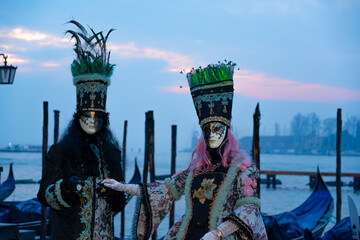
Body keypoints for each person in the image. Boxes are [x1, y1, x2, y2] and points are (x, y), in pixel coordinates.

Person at [103, 61, 268, 240]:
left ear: (227, 131)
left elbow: (249, 208)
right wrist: (123, 187)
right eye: (207, 130)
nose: (212, 134)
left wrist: (217, 233)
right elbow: (166, 189)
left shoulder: (242, 169)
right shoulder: (197, 169)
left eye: (217, 129)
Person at [37, 21, 126, 240]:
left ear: (105, 120)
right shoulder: (60, 151)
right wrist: (67, 188)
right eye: (87, 116)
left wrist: (114, 194)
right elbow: (44, 195)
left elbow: (119, 204)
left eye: (97, 118)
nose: (92, 122)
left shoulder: (112, 154)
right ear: (78, 119)